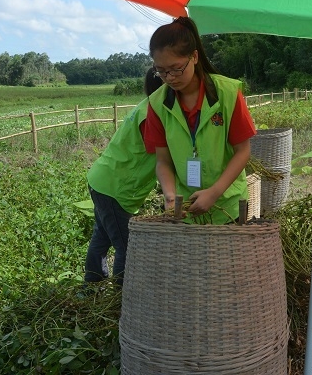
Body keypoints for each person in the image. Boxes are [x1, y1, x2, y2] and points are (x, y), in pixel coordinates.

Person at [144, 16, 256, 224]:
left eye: (176, 68)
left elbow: (243, 151)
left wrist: (214, 193)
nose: (170, 77)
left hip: (227, 205)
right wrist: (170, 196)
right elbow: (162, 160)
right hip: (186, 209)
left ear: (194, 57)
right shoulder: (157, 103)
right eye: (161, 71)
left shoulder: (227, 93)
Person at [84, 68, 163, 286]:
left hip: (103, 180)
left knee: (102, 237)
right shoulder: (152, 116)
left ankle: (91, 286)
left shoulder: (146, 107)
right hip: (115, 189)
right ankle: (122, 295)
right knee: (126, 246)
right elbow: (163, 156)